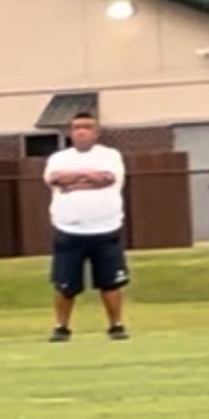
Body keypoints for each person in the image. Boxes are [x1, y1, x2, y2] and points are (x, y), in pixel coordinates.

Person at [43, 110, 130, 342]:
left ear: (96, 131)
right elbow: (55, 179)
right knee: (65, 285)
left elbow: (107, 179)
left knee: (110, 283)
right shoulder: (58, 158)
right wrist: (87, 176)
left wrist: (73, 180)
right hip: (69, 230)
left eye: (87, 127)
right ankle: (62, 327)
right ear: (70, 132)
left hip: (106, 228)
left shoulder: (110, 156)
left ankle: (116, 325)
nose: (81, 131)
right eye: (77, 127)